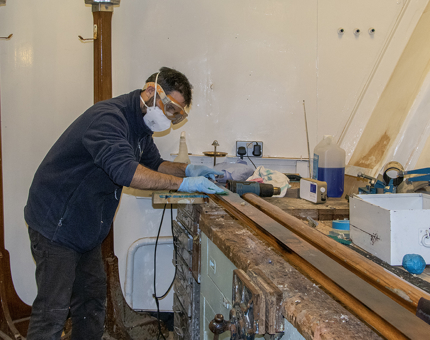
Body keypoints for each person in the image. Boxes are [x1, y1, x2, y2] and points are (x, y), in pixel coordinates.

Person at [24, 67, 224, 340]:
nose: (169, 117)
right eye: (169, 108)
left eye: (176, 113)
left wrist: (187, 170)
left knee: (92, 302)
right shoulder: (108, 119)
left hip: (85, 226)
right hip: (56, 222)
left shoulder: (141, 126)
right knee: (53, 310)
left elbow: (153, 163)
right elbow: (125, 171)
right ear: (151, 91)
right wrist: (184, 185)